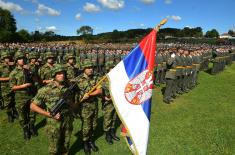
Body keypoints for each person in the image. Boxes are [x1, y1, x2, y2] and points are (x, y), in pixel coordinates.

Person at [30, 64, 75, 155]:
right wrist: (48, 114)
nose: (61, 75)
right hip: (54, 123)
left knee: (66, 145)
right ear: (54, 75)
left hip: (67, 120)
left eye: (63, 73)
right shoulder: (45, 90)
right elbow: (33, 106)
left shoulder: (67, 87)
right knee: (54, 149)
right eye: (58, 73)